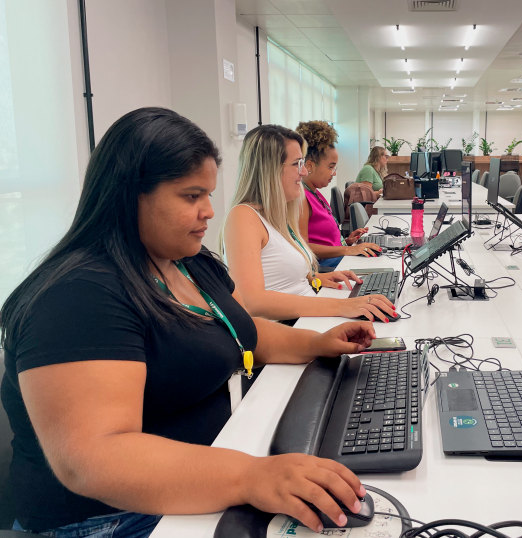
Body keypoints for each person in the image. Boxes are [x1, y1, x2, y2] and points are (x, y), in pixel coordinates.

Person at [0, 108, 375, 537]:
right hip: (107, 518)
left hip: (204, 470)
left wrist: (319, 343)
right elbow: (94, 460)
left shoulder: (189, 262)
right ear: (129, 195)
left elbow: (243, 332)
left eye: (209, 195)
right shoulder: (76, 296)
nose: (210, 211)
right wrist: (251, 477)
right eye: (191, 196)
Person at [223, 124, 397, 323]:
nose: (304, 172)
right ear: (270, 168)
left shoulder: (278, 216)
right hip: (290, 329)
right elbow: (251, 301)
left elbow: (282, 278)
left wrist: (315, 279)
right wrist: (342, 306)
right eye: (297, 164)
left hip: (308, 317)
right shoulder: (243, 217)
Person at [295, 121, 382, 267]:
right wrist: (347, 250)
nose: (334, 173)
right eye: (331, 167)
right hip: (329, 267)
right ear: (309, 165)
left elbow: (321, 239)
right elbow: (303, 247)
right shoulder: (301, 198)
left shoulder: (316, 193)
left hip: (339, 259)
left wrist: (347, 241)